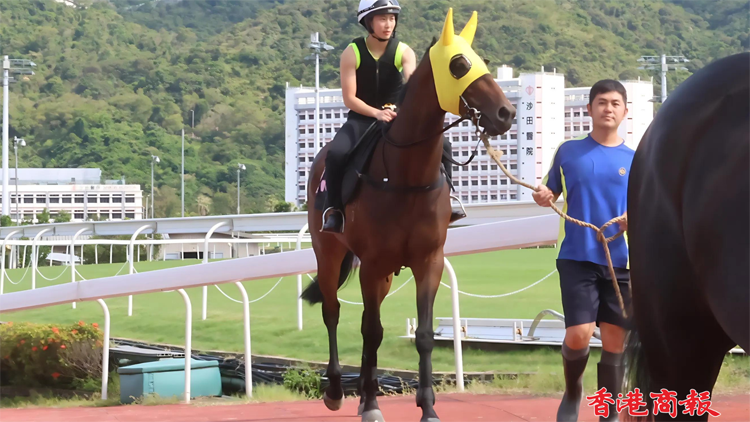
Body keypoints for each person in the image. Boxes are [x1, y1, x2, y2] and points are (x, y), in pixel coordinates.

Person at [532, 80, 634, 422]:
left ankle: (609, 411)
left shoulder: (636, 160)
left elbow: (648, 205)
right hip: (577, 255)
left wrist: (632, 218)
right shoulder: (568, 151)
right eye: (602, 102)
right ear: (588, 109)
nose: (608, 108)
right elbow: (550, 191)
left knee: (615, 341)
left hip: (622, 262)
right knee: (578, 334)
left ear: (625, 112)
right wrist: (543, 196)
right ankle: (573, 389)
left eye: (615, 103)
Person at [321, 0, 465, 233]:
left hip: (396, 118)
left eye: (392, 18)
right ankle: (334, 210)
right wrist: (376, 112)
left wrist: (402, 110)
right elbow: (350, 98)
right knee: (336, 154)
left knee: (444, 145)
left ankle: (449, 200)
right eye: (382, 19)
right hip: (362, 119)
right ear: (368, 22)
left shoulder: (403, 51)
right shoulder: (352, 52)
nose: (388, 24)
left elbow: (412, 84)